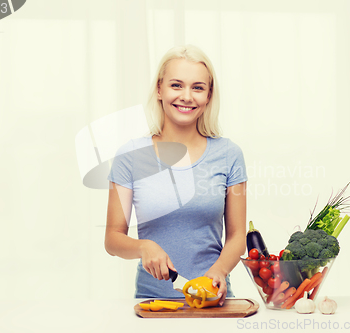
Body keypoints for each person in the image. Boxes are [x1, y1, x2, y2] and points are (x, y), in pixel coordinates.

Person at [104, 45, 247, 305]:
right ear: (159, 89)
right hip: (153, 303)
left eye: (198, 87)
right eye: (176, 85)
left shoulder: (228, 154)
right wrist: (143, 246)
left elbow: (237, 236)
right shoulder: (130, 156)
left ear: (208, 95)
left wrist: (219, 271)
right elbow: (113, 238)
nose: (187, 96)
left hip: (215, 300)